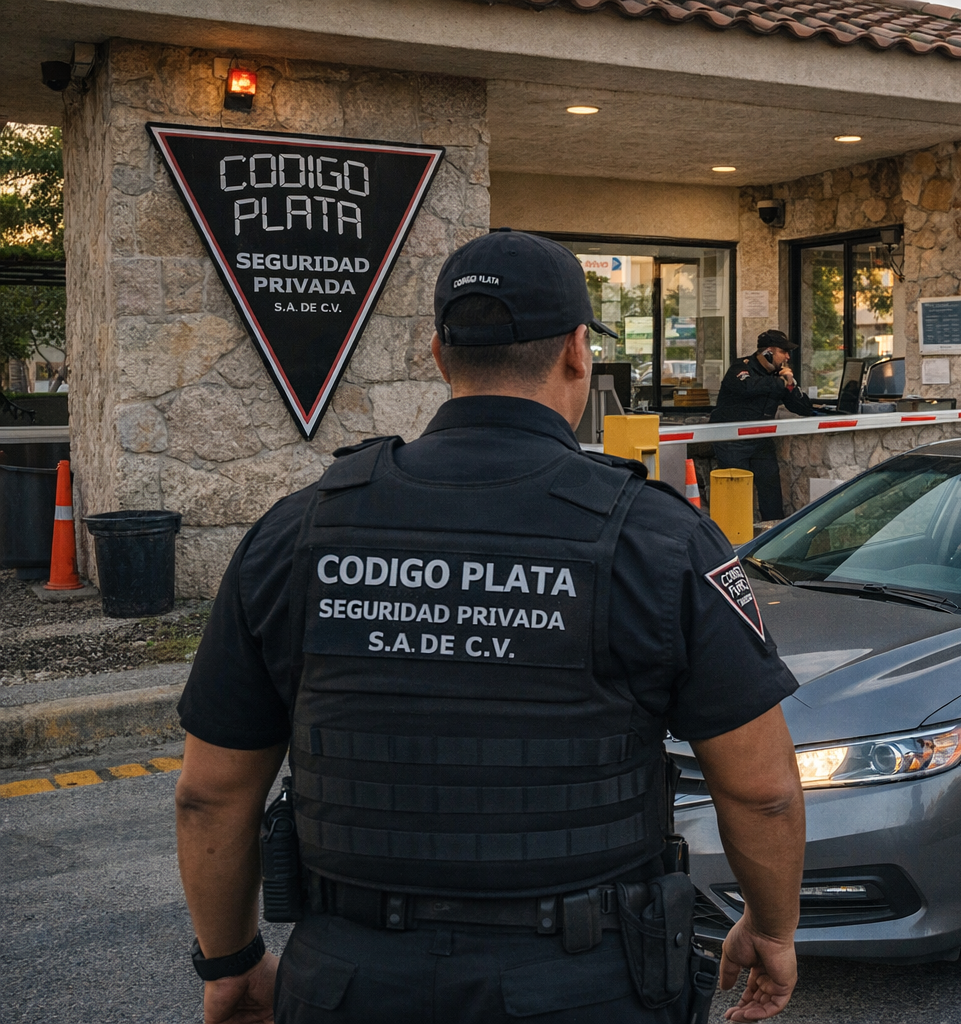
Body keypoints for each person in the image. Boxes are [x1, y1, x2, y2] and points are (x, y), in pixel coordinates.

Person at [173, 229, 806, 1024]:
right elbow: (762, 791)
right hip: (587, 982)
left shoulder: (298, 532)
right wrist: (772, 928)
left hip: (351, 979)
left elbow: (210, 794)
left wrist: (230, 965)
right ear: (578, 351)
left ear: (440, 354)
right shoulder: (656, 536)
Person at [709, 330, 816, 522]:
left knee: (771, 492)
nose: (787, 356)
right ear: (768, 352)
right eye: (783, 351)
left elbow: (803, 407)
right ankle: (733, 540)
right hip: (733, 442)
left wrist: (790, 385)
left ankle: (772, 538)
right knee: (735, 493)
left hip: (761, 441)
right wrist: (780, 382)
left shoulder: (779, 377)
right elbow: (749, 387)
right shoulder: (741, 368)